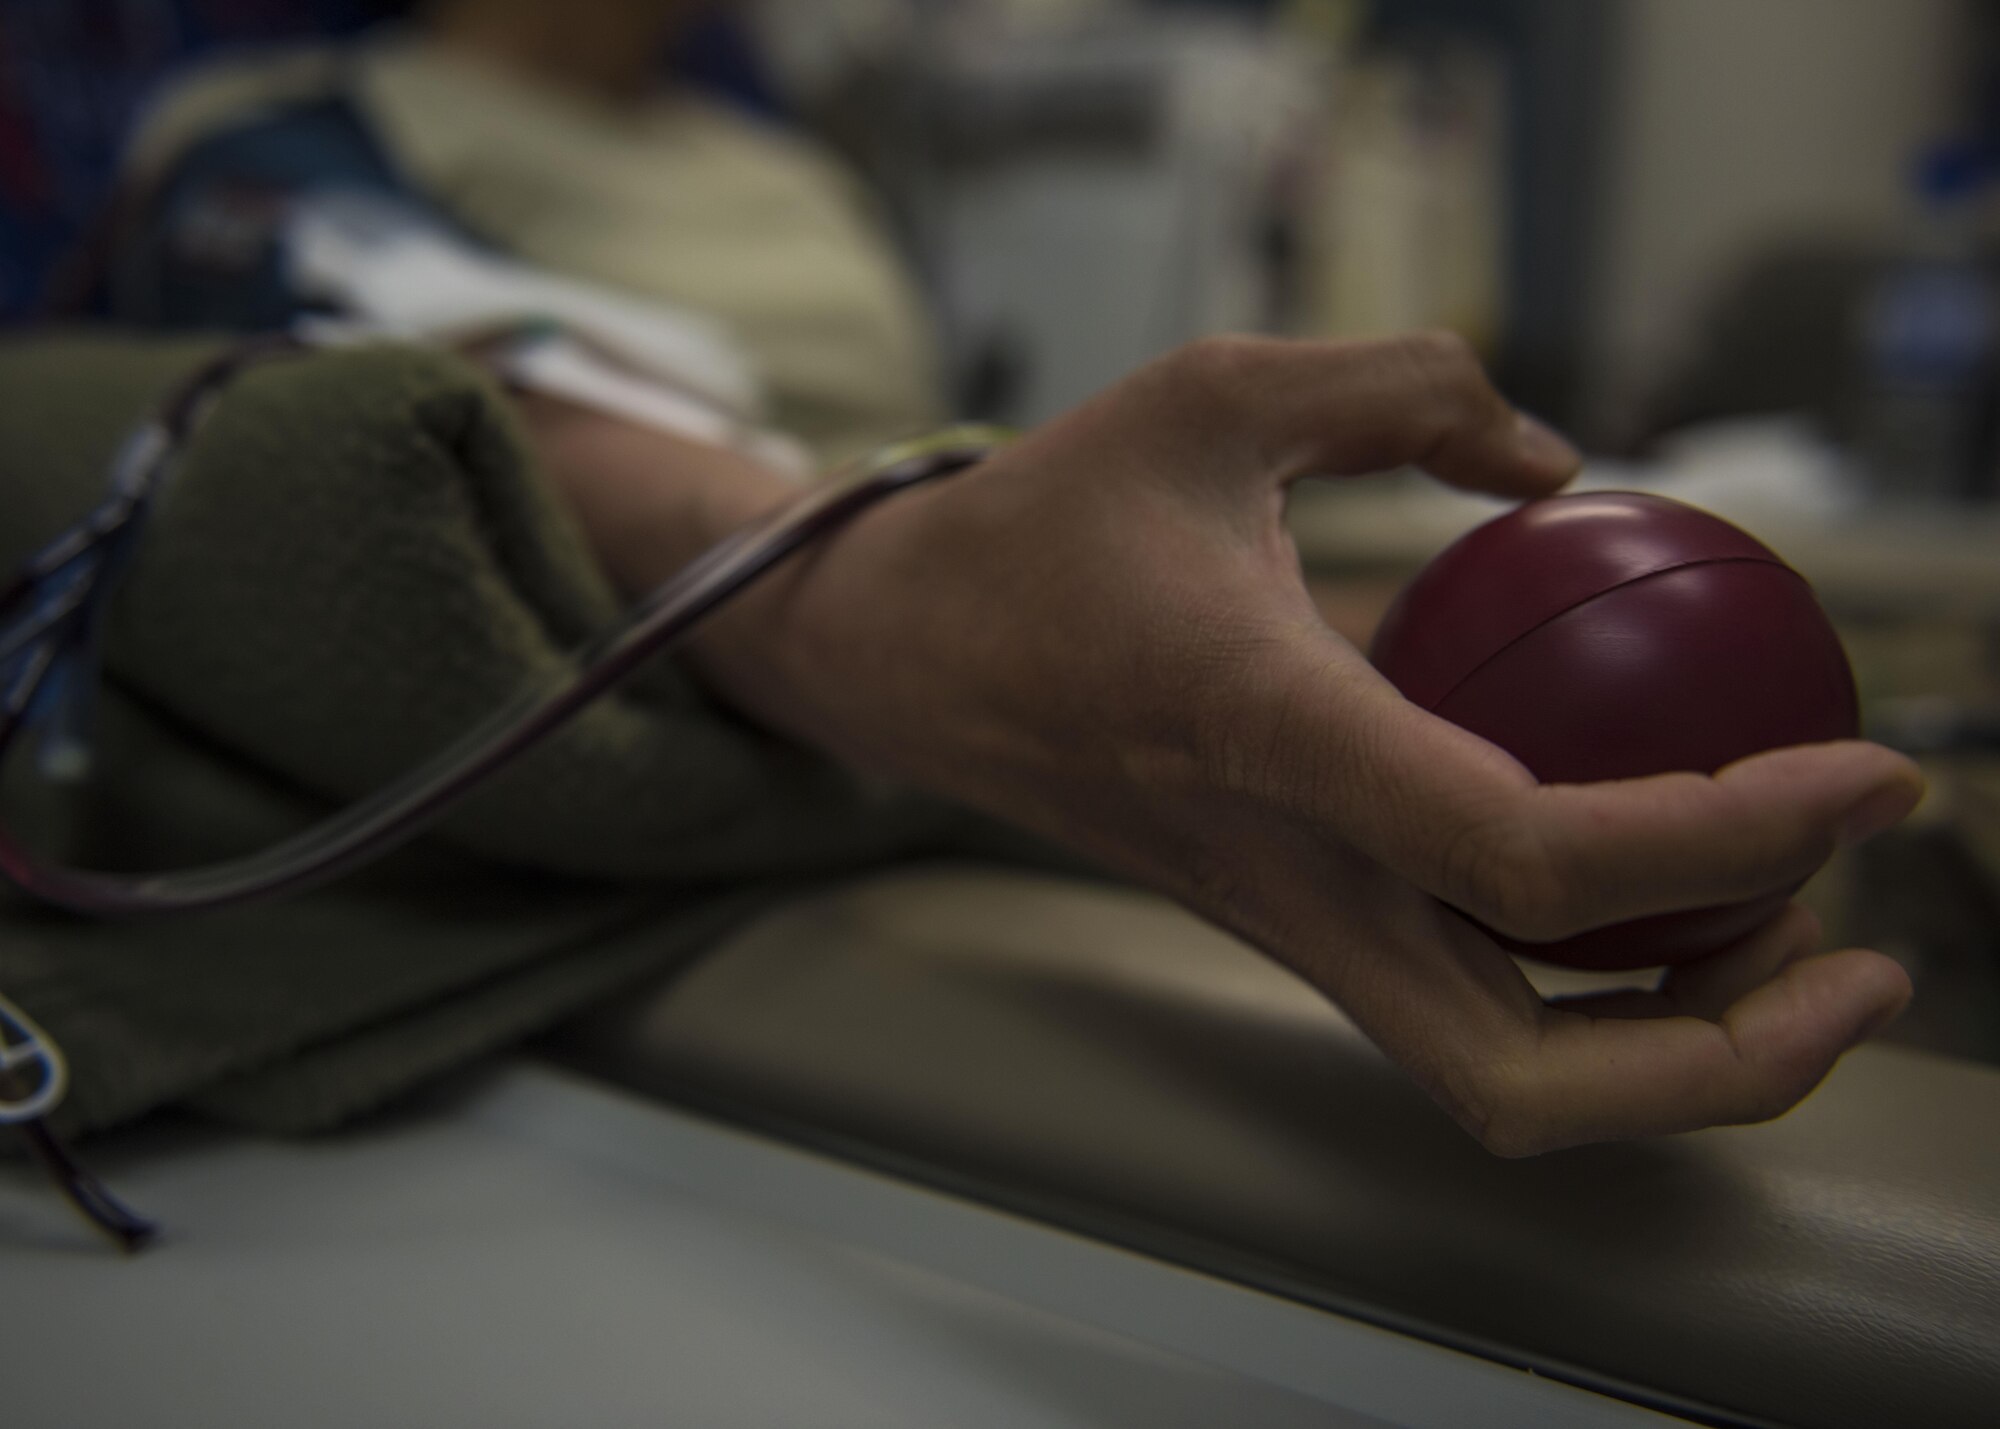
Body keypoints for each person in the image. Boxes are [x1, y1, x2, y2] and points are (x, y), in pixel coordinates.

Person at [93, 0, 1921, 1157]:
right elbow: (431, 401)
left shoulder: (785, 173)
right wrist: (896, 589)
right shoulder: (278, 134)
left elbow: (932, 433)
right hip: (751, 649)